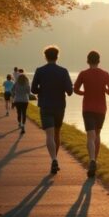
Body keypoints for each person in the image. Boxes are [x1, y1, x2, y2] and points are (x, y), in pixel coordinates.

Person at [31, 46, 73, 174]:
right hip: (59, 106)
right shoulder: (63, 71)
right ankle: (55, 159)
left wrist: (41, 90)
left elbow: (33, 89)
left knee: (49, 135)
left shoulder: (40, 70)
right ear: (57, 56)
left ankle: (54, 159)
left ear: (45, 57)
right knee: (57, 133)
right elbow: (70, 92)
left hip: (45, 105)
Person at [73, 50, 109, 178]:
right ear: (99, 61)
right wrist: (104, 89)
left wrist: (84, 93)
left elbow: (75, 89)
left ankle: (91, 160)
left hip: (88, 108)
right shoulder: (106, 74)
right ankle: (94, 161)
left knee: (90, 136)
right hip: (101, 109)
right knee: (97, 135)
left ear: (87, 61)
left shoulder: (83, 74)